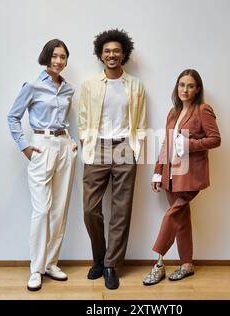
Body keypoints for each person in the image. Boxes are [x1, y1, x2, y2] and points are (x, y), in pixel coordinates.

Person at [7, 39, 78, 291]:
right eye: (55, 56)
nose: (59, 61)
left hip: (63, 147)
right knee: (42, 210)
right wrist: (25, 146)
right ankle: (35, 269)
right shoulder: (33, 85)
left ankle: (51, 263)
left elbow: (64, 119)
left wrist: (71, 142)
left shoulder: (68, 89)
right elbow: (13, 116)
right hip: (40, 145)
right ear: (46, 57)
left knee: (60, 209)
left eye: (63, 57)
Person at [79, 29, 147, 290]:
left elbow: (140, 121)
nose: (111, 55)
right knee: (89, 209)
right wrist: (86, 140)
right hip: (97, 147)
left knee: (121, 209)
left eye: (116, 51)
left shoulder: (136, 85)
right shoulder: (89, 84)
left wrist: (135, 148)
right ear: (100, 54)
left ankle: (110, 265)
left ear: (124, 54)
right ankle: (99, 257)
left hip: (124, 148)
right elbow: (83, 116)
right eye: (107, 51)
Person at [142, 69, 221, 285]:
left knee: (172, 215)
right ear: (177, 87)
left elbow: (215, 139)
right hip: (170, 174)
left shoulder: (203, 110)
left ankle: (158, 264)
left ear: (197, 90)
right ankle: (187, 264)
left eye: (190, 86)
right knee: (182, 220)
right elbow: (166, 144)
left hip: (190, 174)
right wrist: (158, 172)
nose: (184, 89)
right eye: (181, 85)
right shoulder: (173, 112)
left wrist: (189, 144)